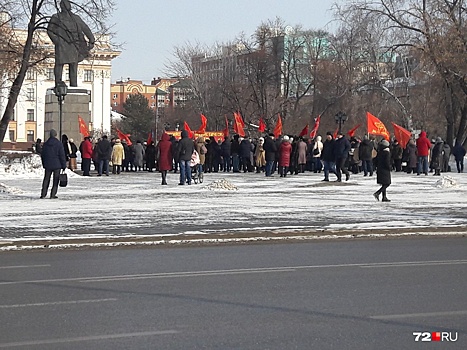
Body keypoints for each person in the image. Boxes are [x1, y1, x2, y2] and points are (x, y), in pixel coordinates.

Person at [47, 0, 95, 87]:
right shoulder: (56, 17)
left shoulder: (76, 18)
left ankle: (74, 85)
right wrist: (56, 41)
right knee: (59, 64)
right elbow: (50, 30)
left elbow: (85, 28)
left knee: (73, 65)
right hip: (61, 44)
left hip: (74, 44)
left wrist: (91, 39)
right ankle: (58, 83)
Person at [40, 129, 66, 199]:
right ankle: (53, 194)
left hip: (48, 164)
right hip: (57, 165)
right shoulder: (59, 144)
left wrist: (44, 163)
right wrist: (64, 165)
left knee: (46, 179)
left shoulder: (45, 144)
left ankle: (43, 194)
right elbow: (62, 155)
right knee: (56, 180)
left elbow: (43, 155)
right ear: (55, 135)